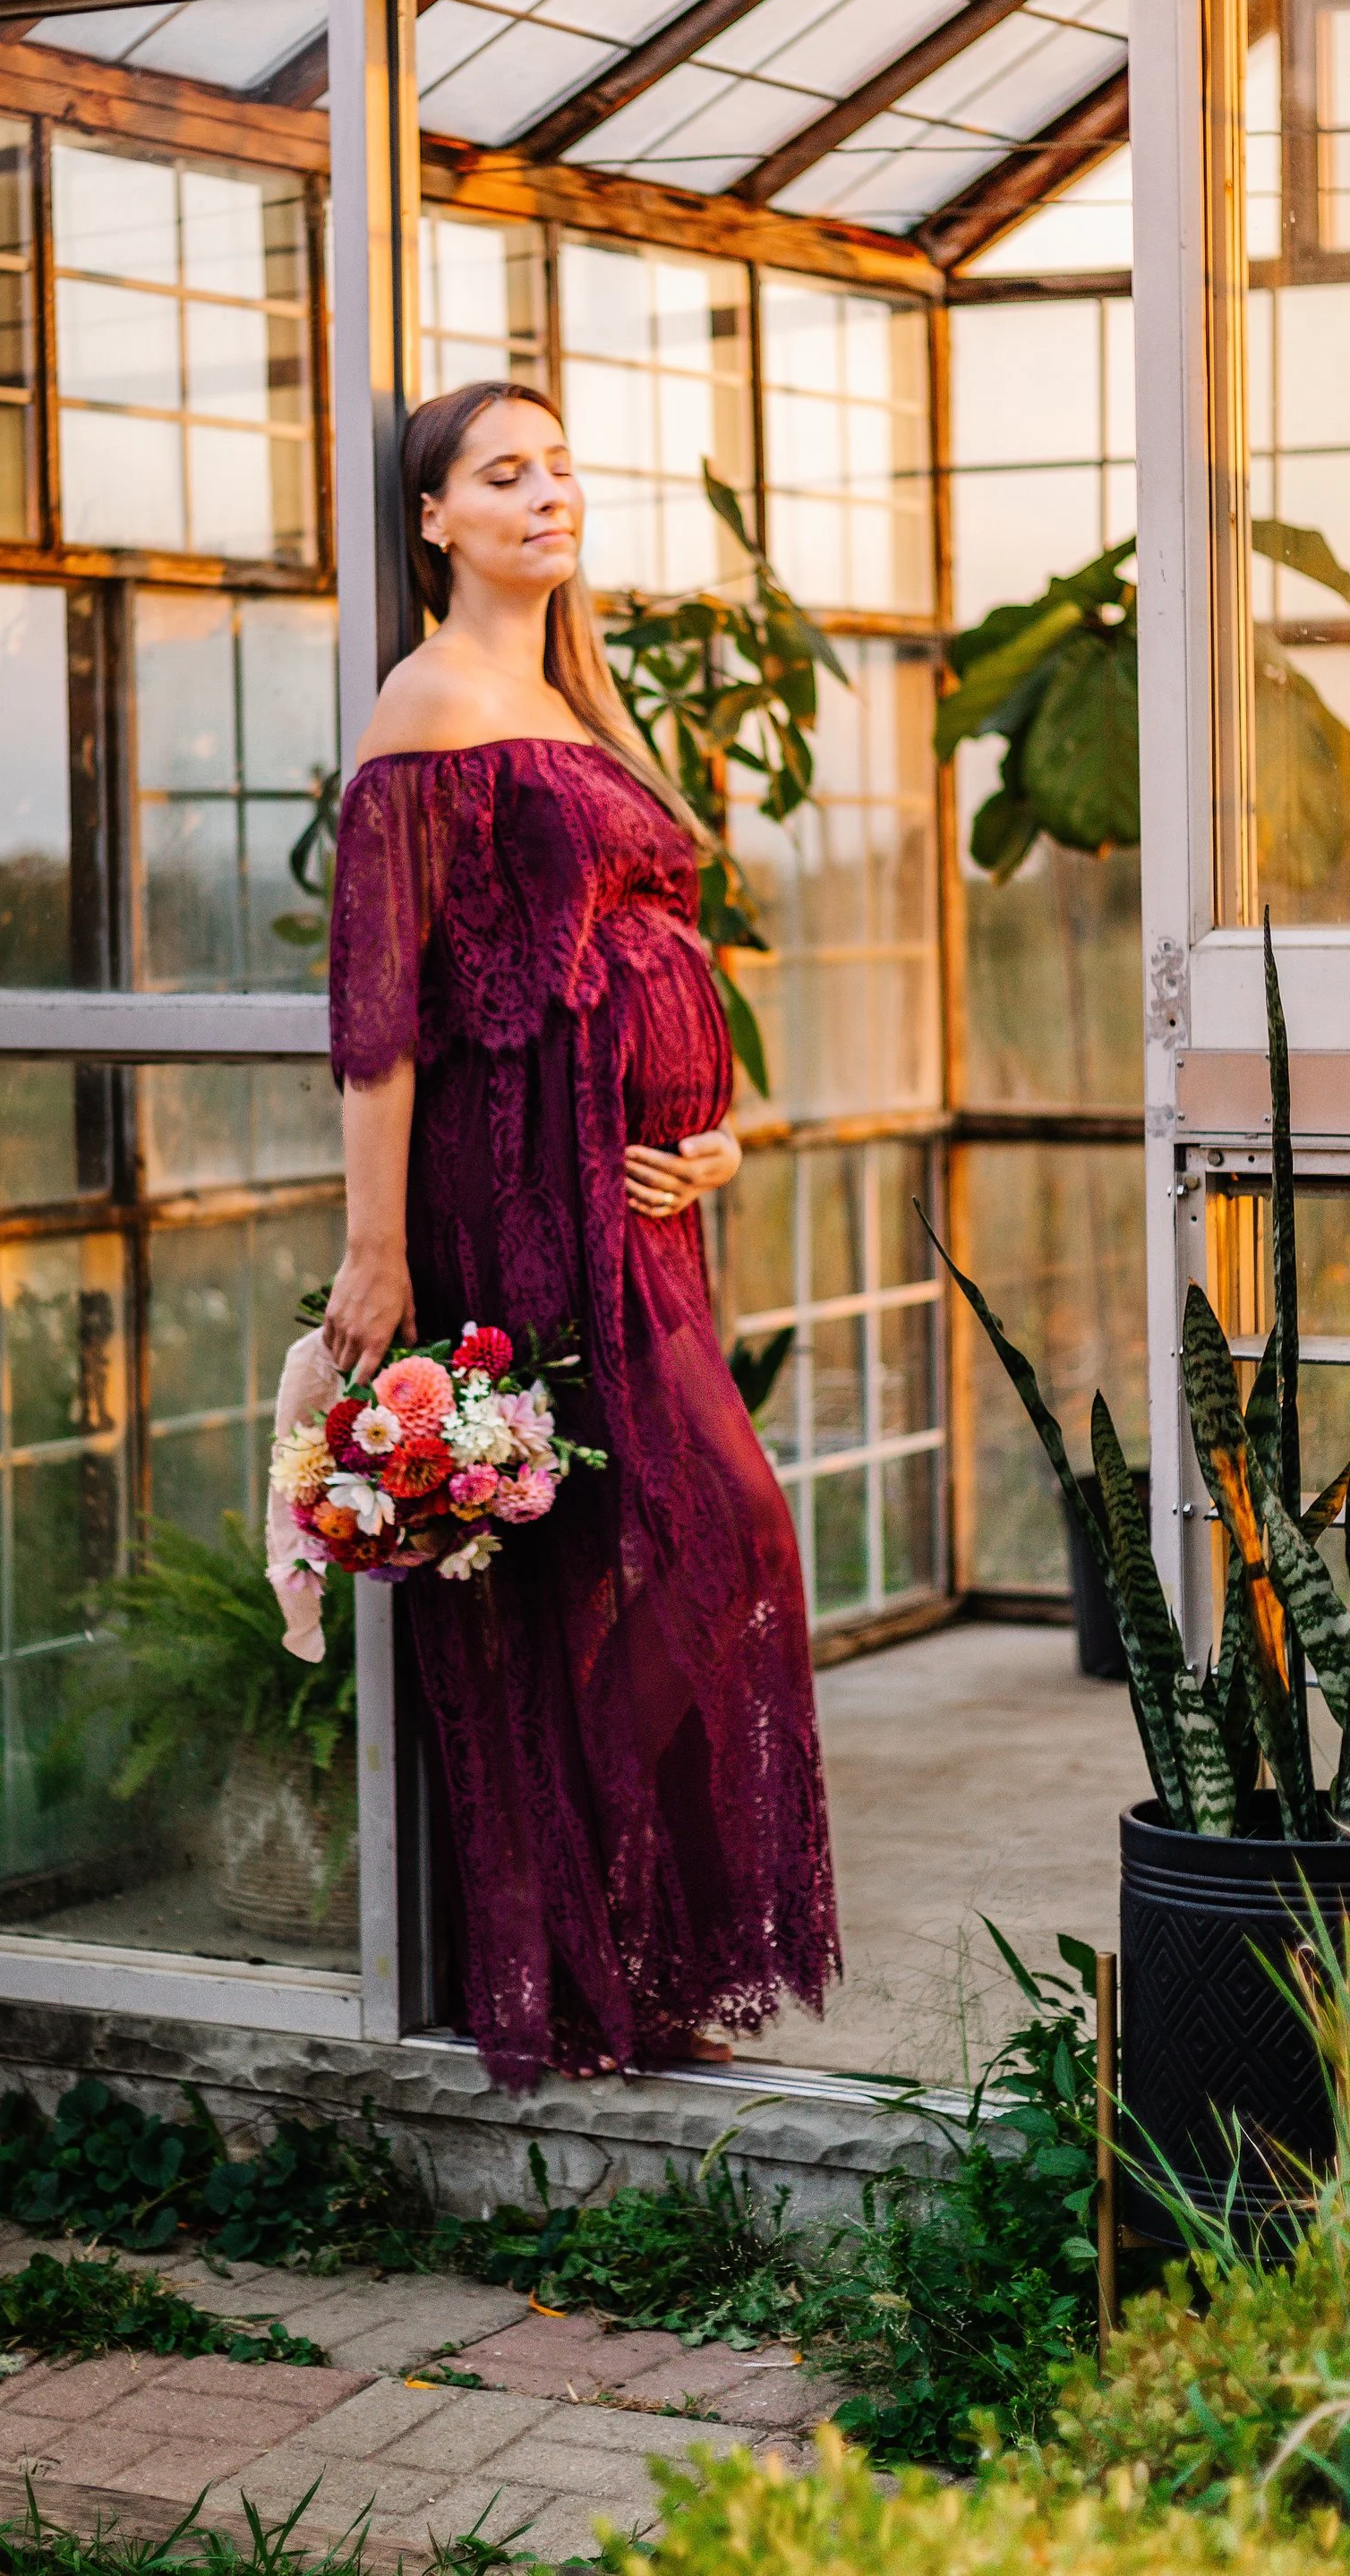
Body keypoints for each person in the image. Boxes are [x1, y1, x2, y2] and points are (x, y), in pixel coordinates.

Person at [320, 379, 840, 2087]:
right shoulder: (428, 700)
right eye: (504, 471)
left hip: (647, 1214)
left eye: (561, 462)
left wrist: (719, 1135)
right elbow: (379, 1005)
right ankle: (563, 1927)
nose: (549, 490)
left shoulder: (575, 700)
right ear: (436, 521)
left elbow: (678, 959)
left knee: (681, 1545)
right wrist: (377, 1249)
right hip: (519, 1200)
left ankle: (613, 1937)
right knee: (697, 1537)